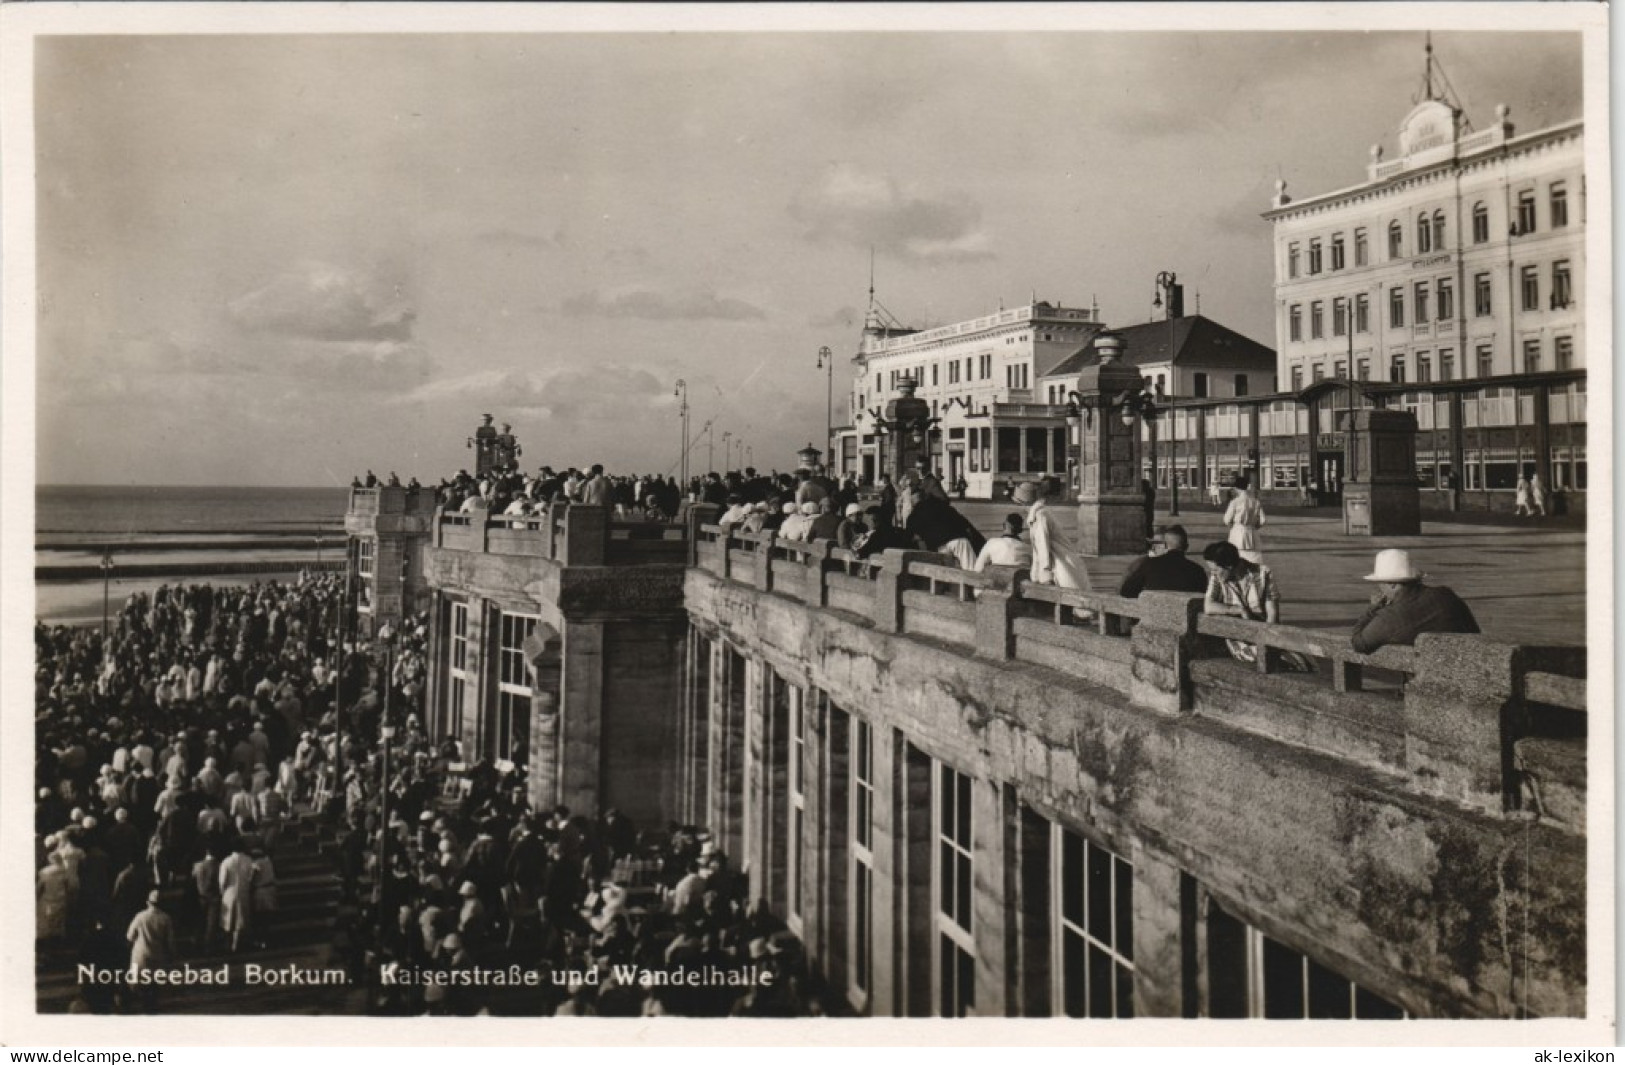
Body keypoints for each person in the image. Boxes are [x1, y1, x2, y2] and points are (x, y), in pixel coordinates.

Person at [1350, 549, 1480, 653]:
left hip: (1426, 679)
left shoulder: (1390, 617)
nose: (1379, 588)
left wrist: (1373, 607)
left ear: (1392, 584)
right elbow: (1474, 631)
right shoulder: (1446, 595)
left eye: (1380, 584)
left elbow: (1359, 643)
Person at [1022, 478, 1091, 590]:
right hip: (1067, 563)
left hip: (1064, 567)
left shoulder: (1040, 515)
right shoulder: (1042, 513)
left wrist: (1045, 576)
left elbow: (1042, 545)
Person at [1118, 524, 1207, 598]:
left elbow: (1126, 591)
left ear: (1164, 546)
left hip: (1152, 617)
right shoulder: (1198, 571)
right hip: (1184, 618)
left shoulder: (1148, 564)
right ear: (1186, 547)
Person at [1222, 480, 1266, 563]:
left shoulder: (1235, 502)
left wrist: (1233, 527)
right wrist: (1255, 527)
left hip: (1238, 532)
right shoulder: (1256, 501)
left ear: (1237, 488)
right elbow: (1263, 520)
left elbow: (1226, 520)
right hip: (1252, 532)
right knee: (1254, 559)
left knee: (1237, 557)